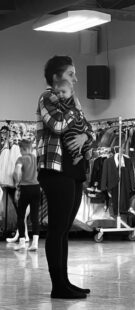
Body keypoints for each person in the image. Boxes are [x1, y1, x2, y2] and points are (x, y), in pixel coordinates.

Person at [37, 55, 94, 299]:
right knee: (57, 229)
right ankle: (57, 285)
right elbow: (58, 126)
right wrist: (72, 106)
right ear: (57, 77)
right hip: (55, 170)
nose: (76, 78)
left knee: (64, 229)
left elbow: (90, 130)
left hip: (74, 169)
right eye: (71, 74)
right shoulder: (47, 97)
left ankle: (65, 281)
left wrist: (85, 138)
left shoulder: (73, 100)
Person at [52, 79, 93, 165]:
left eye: (63, 92)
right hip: (65, 164)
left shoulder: (65, 104)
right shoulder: (75, 104)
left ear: (71, 92)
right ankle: (87, 150)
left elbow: (91, 130)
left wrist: (85, 136)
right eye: (58, 93)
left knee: (69, 139)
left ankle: (77, 155)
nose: (60, 95)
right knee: (74, 139)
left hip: (74, 128)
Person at [12, 139, 41, 251]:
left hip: (25, 189)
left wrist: (17, 183)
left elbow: (16, 172)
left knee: (21, 216)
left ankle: (22, 242)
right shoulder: (36, 159)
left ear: (22, 149)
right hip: (36, 188)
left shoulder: (21, 158)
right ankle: (35, 244)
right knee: (35, 217)